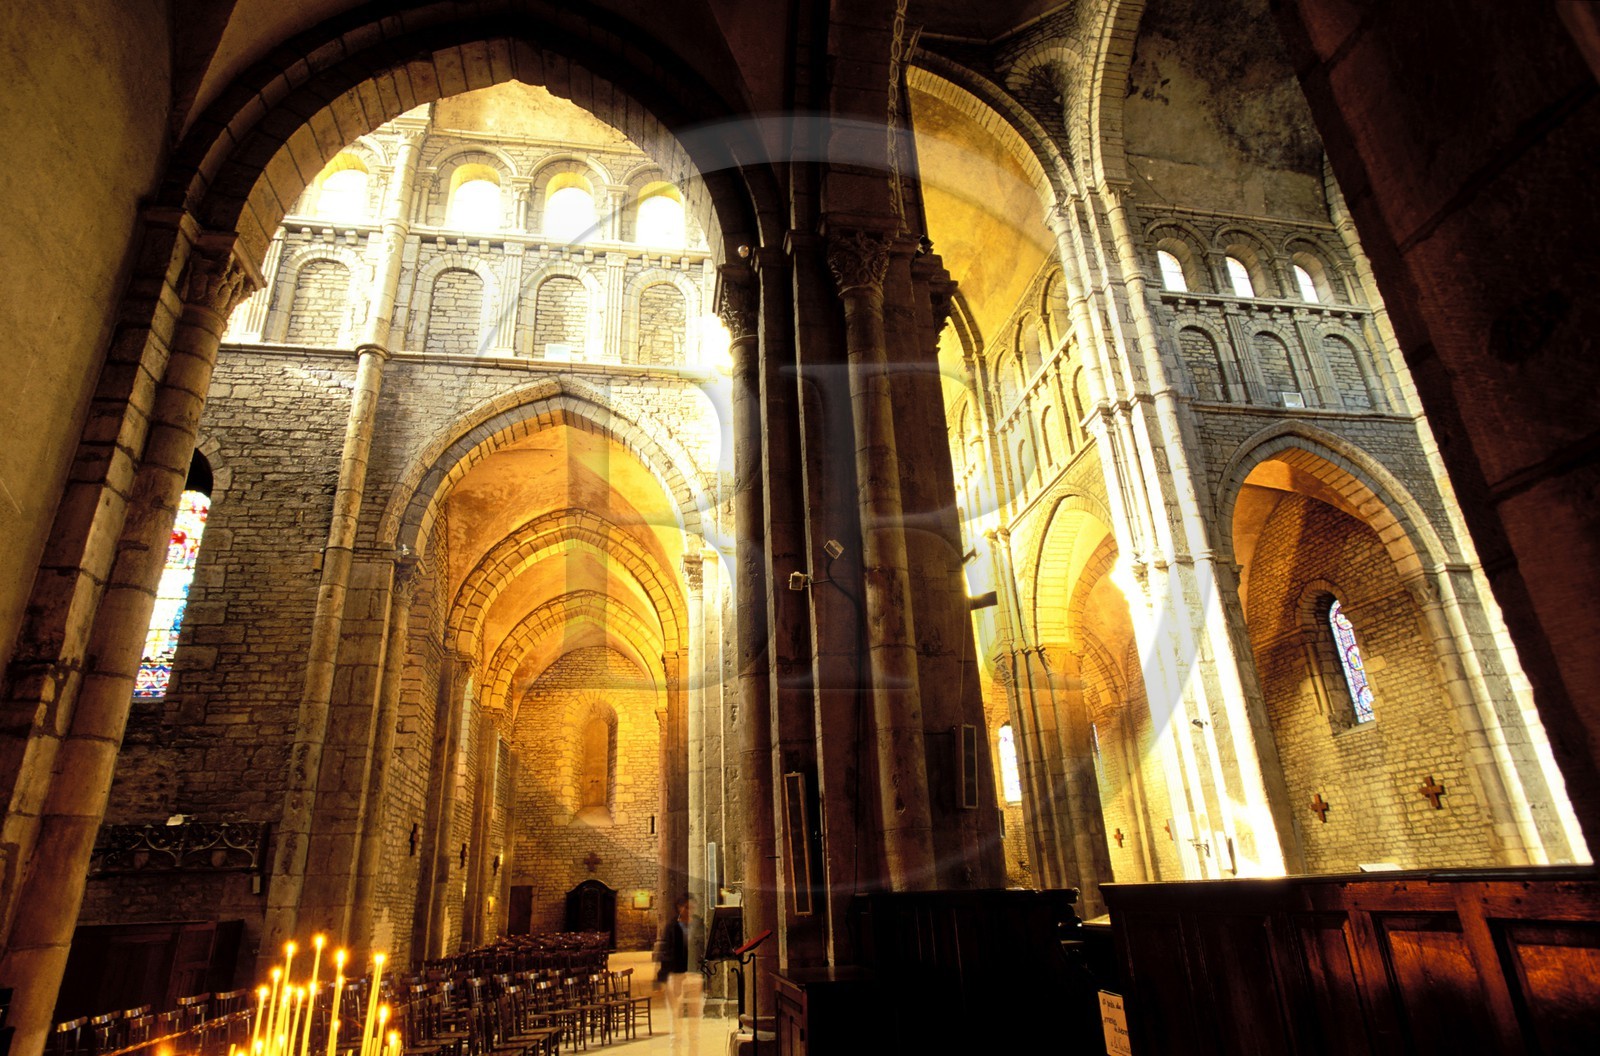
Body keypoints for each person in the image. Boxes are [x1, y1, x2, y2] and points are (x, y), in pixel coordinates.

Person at [656, 893, 705, 1055]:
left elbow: (704, 952)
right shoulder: (671, 927)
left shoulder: (699, 925)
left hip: (695, 977)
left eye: (693, 907)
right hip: (676, 978)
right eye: (686, 907)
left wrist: (708, 980)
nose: (690, 910)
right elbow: (665, 953)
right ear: (679, 908)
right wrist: (662, 979)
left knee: (695, 1026)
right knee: (676, 1025)